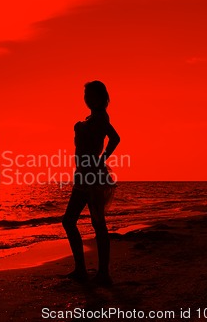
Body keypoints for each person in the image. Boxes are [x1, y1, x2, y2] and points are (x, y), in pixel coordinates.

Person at [62, 80, 120, 286]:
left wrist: (101, 160)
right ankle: (82, 269)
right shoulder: (92, 118)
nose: (88, 98)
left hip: (93, 177)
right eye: (86, 95)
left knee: (96, 224)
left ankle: (102, 273)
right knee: (69, 220)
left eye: (91, 95)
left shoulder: (101, 118)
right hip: (83, 176)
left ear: (102, 97)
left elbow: (115, 138)